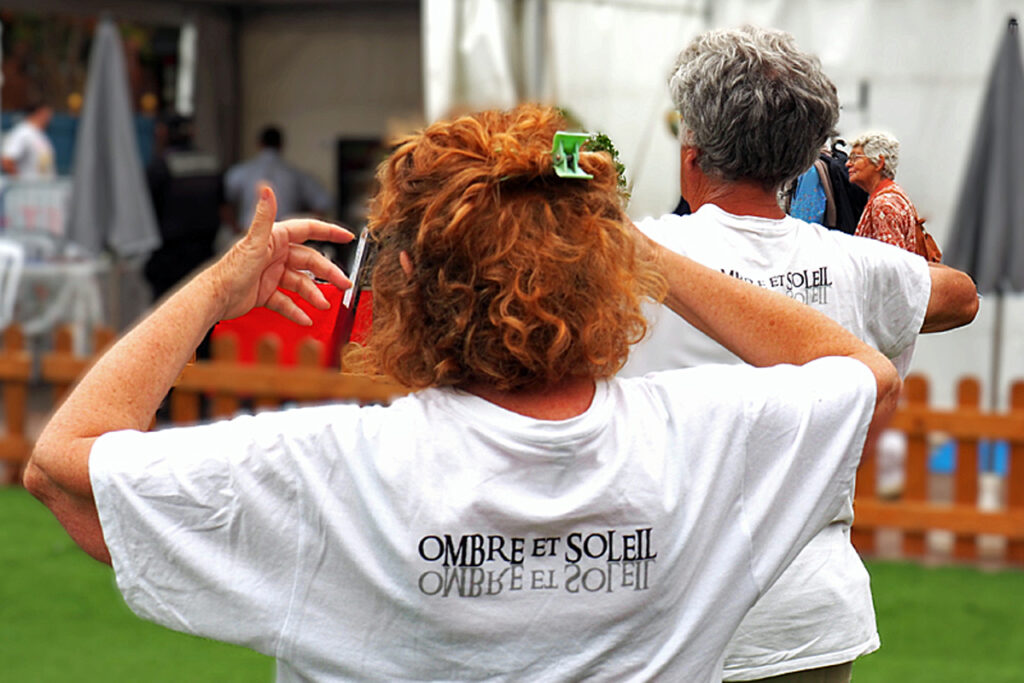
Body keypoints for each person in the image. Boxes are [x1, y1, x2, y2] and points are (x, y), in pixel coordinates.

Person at [24, 104, 902, 682]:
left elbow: (64, 468)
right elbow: (867, 375)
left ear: (403, 280)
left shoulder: (334, 468)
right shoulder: (703, 440)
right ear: (603, 273)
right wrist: (641, 251)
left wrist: (215, 290)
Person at [621, 27, 978, 683]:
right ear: (799, 159)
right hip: (808, 614)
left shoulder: (633, 253)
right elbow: (961, 296)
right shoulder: (848, 263)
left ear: (691, 154)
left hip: (665, 611)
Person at [143, 115, 224, 301]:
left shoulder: (160, 166)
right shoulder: (210, 163)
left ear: (164, 133)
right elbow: (224, 208)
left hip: (169, 259)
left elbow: (146, 212)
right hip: (205, 254)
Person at [223, 125, 332, 231]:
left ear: (259, 144)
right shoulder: (296, 174)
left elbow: (224, 204)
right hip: (284, 236)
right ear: (281, 145)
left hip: (249, 233)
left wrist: (236, 229)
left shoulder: (240, 172)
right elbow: (323, 202)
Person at [847, 131, 921, 252]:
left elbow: (891, 264)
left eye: (855, 158)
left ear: (879, 163)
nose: (848, 164)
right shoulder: (894, 194)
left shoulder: (883, 205)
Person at [1, 100, 56, 179]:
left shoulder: (39, 134)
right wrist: (20, 183)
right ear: (39, 112)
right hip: (29, 189)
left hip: (43, 189)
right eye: (47, 114)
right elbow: (7, 161)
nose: (50, 118)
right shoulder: (22, 132)